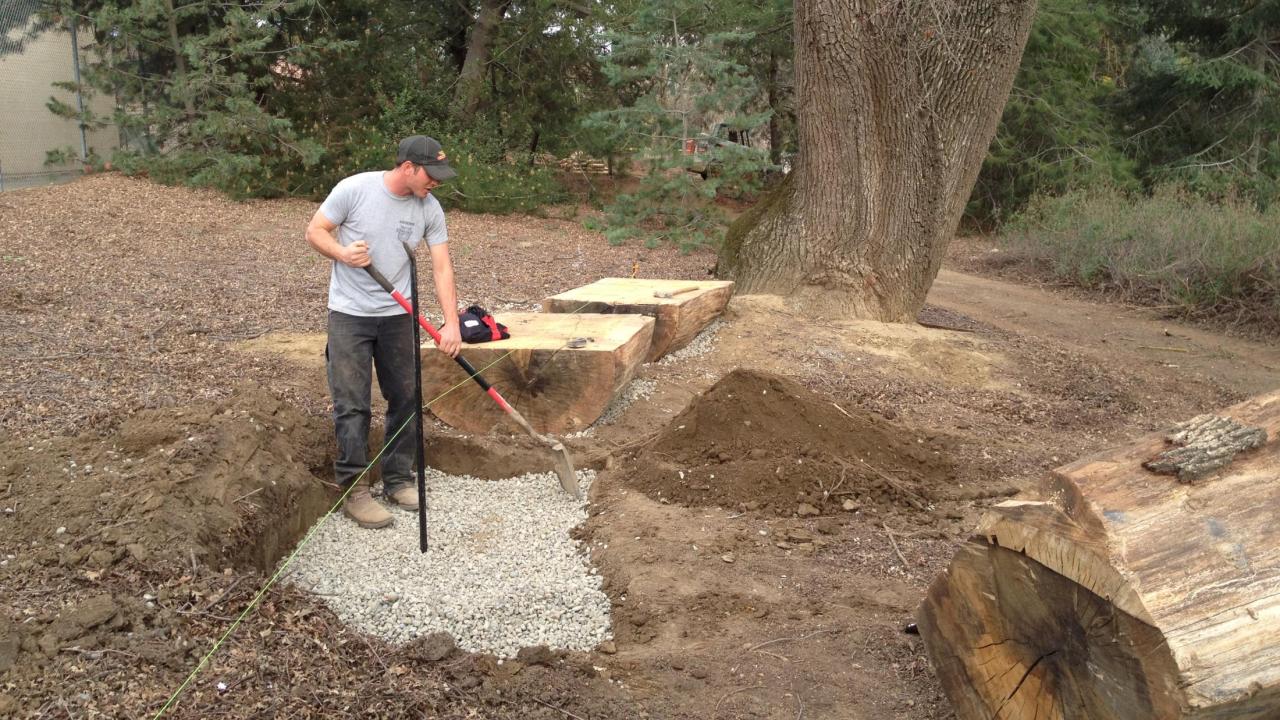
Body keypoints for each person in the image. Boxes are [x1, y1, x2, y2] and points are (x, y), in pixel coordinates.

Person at [304, 135, 463, 529]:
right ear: (408, 167)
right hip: (349, 315)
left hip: (398, 316)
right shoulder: (354, 189)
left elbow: (441, 266)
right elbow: (315, 231)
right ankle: (354, 489)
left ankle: (396, 478)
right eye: (432, 175)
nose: (436, 184)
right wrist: (342, 253)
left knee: (406, 396)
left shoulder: (430, 207)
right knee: (352, 403)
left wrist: (452, 322)